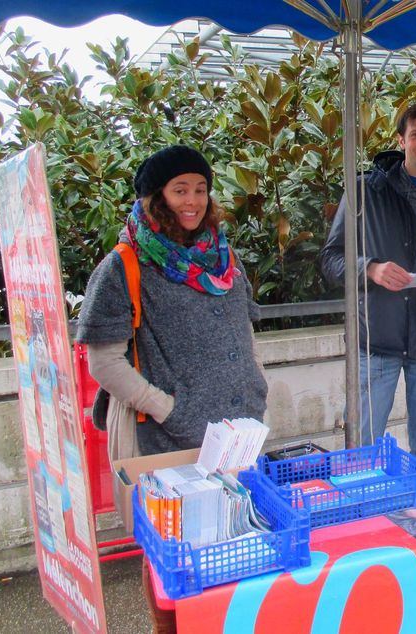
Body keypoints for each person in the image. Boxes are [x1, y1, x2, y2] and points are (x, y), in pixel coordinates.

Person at [77, 145, 268, 633]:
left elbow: (243, 329)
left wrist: (256, 383)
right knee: (171, 556)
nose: (193, 200)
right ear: (155, 197)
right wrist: (166, 407)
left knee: (231, 545)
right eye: (180, 189)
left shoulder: (225, 258)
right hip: (168, 437)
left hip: (233, 433)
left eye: (201, 189)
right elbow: (103, 360)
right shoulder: (124, 265)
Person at [320, 103, 416, 498]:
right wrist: (370, 269)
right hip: (376, 343)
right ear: (401, 140)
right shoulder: (364, 192)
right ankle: (361, 533)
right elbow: (331, 259)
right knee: (361, 452)